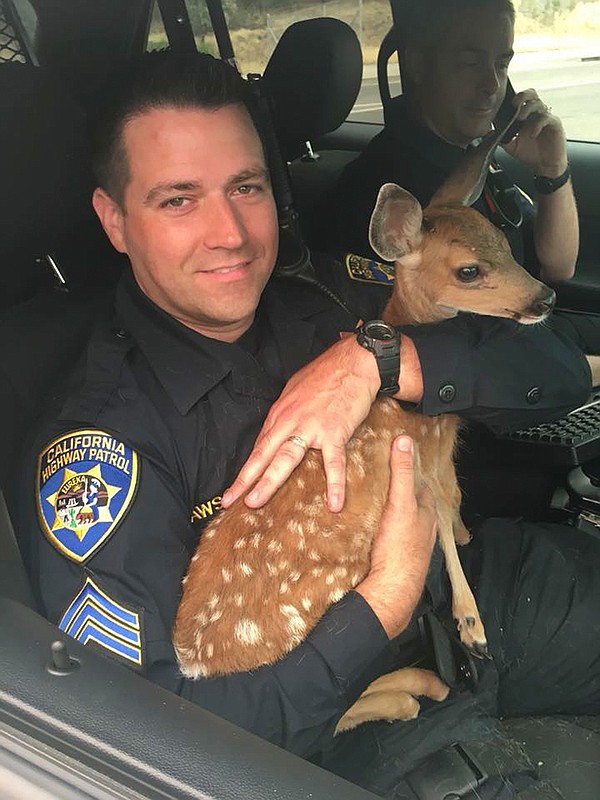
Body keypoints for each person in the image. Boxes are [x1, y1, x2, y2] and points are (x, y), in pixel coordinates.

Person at [17, 52, 598, 799]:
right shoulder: (99, 455)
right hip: (350, 716)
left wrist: (382, 363)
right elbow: (155, 732)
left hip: (475, 591)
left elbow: (553, 361)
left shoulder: (331, 290)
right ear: (114, 221)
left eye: (246, 187)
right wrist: (379, 604)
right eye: (177, 201)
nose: (229, 232)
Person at [317, 0, 600, 356]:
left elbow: (559, 267)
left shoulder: (473, 162)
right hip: (495, 359)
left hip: (527, 329)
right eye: (470, 62)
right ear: (419, 65)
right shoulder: (379, 192)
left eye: (501, 64)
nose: (492, 84)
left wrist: (551, 168)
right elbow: (432, 346)